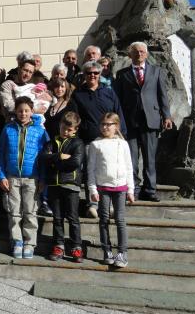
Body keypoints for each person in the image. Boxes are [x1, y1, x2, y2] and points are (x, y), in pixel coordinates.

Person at [114, 41, 172, 202]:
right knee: (131, 158)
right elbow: (118, 100)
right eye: (135, 51)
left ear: (146, 54)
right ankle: (135, 189)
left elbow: (162, 95)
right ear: (130, 55)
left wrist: (166, 116)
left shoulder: (156, 71)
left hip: (151, 120)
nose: (139, 54)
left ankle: (150, 189)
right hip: (129, 121)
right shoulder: (122, 74)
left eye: (141, 51)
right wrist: (117, 121)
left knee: (150, 157)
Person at [72, 60, 126, 218]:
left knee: (108, 171)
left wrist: (121, 133)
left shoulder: (109, 92)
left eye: (96, 73)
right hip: (90, 140)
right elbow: (76, 118)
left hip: (110, 139)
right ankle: (92, 204)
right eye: (89, 73)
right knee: (91, 172)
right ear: (84, 75)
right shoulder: (78, 95)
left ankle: (107, 205)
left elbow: (118, 113)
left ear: (100, 74)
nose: (92, 76)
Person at [0, 96, 49, 259]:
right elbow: (1, 155)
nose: (23, 113)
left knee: (30, 211)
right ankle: (17, 241)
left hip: (32, 178)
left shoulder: (40, 131)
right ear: (15, 112)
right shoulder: (8, 129)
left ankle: (29, 243)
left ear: (32, 111)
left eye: (26, 110)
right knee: (14, 212)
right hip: (12, 178)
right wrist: (1, 176)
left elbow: (44, 157)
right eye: (20, 111)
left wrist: (42, 179)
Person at [88, 112, 135, 268]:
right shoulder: (95, 144)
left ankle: (122, 253)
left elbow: (129, 167)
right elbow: (91, 169)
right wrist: (92, 189)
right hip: (103, 187)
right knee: (104, 219)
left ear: (116, 126)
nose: (105, 127)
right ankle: (107, 250)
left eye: (109, 124)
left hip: (121, 187)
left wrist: (131, 189)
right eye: (103, 124)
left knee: (120, 220)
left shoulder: (123, 144)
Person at [41, 112, 85, 263]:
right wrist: (60, 156)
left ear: (75, 130)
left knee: (73, 218)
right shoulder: (51, 142)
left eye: (69, 129)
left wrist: (55, 161)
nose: (65, 132)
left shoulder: (78, 143)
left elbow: (75, 162)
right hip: (54, 184)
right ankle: (58, 245)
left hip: (71, 185)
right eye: (63, 128)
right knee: (57, 218)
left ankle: (76, 247)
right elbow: (44, 158)